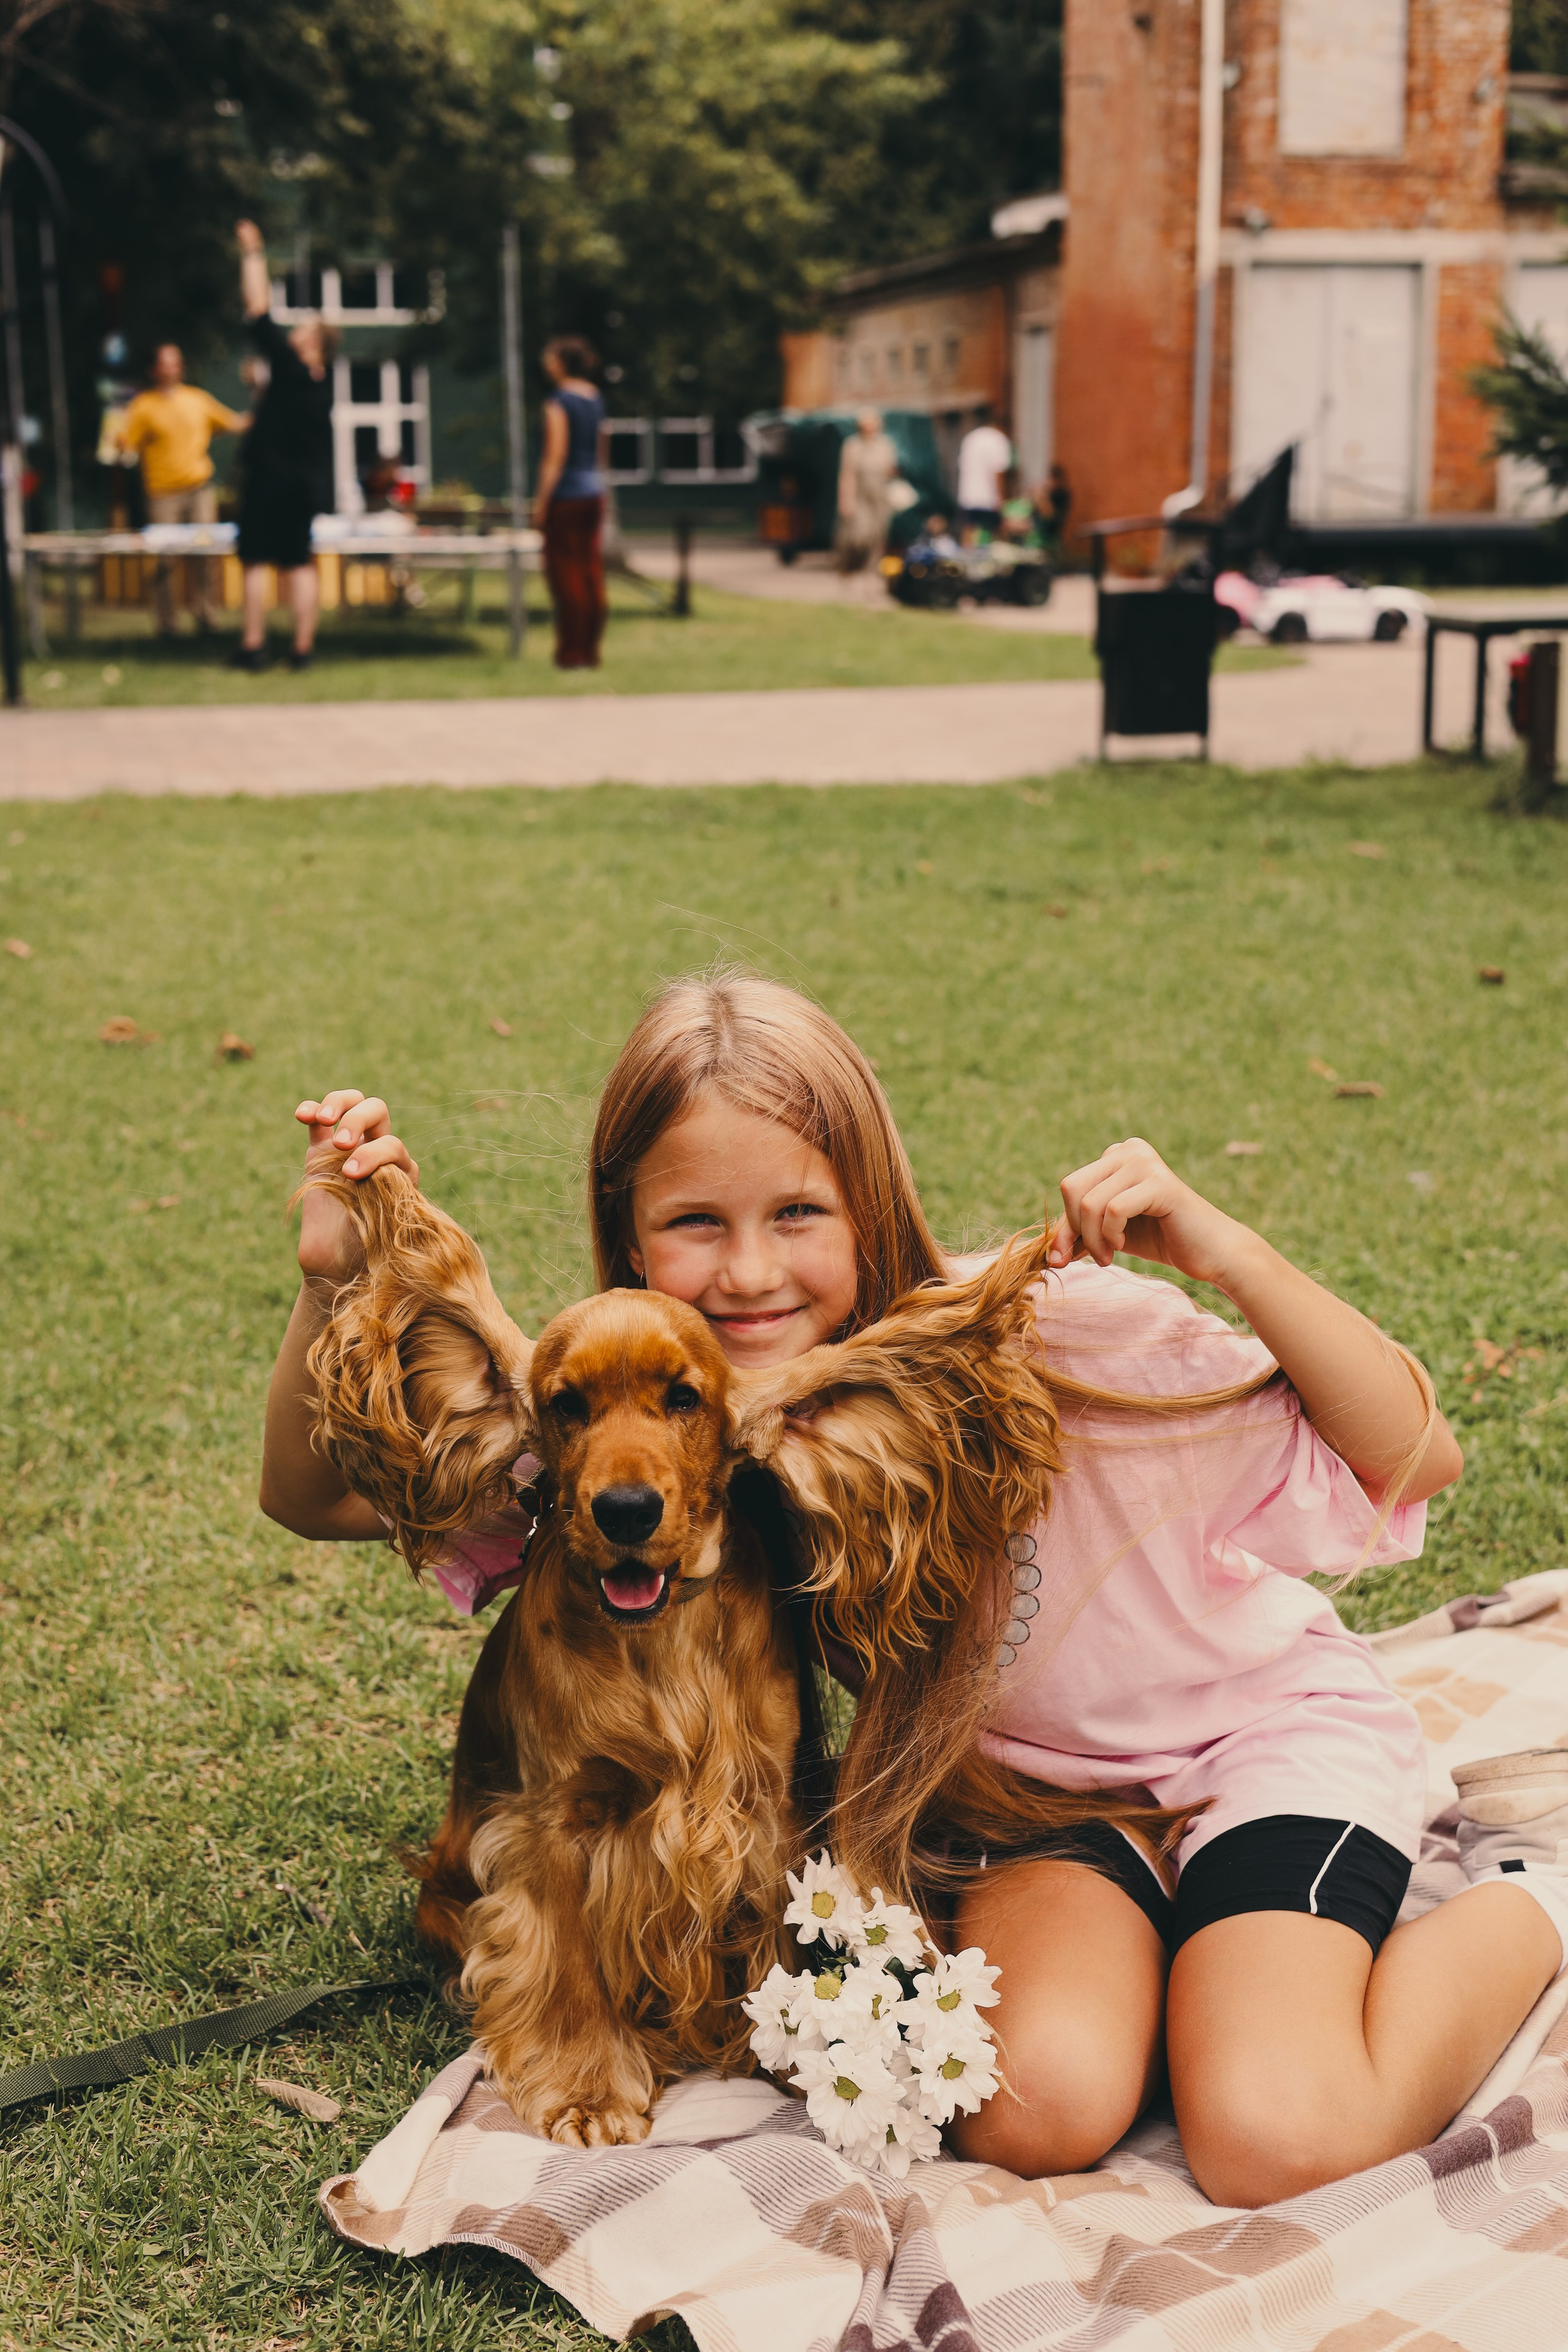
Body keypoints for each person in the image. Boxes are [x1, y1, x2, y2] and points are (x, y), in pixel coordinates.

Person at [259, 974, 1565, 2207]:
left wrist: (1222, 1250)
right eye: (694, 1225)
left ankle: (1534, 1900)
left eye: (796, 1215)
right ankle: (1202, 1966)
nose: (751, 1272)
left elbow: (1411, 1456)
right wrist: (330, 1278)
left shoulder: (1035, 1337)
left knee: (1270, 2131)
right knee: (1034, 2103)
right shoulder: (664, 1443)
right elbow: (313, 1500)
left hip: (1260, 1748)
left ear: (870, 1204)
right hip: (1045, 1807)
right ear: (629, 1237)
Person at [231, 219, 337, 673]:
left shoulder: (293, 367)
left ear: (313, 343)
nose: (294, 331)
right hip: (304, 485)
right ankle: (302, 652)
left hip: (269, 480)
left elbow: (257, 308)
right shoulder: (319, 383)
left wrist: (252, 252)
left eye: (303, 328)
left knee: (256, 562)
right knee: (299, 563)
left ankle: (253, 648)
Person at [116, 343, 247, 633]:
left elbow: (234, 422)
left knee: (206, 556)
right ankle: (167, 624)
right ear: (154, 370)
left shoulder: (197, 399)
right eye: (166, 363)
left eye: (177, 362)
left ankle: (207, 618)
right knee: (165, 561)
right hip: (162, 494)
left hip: (200, 490)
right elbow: (126, 445)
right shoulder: (143, 406)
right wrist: (116, 439)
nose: (173, 368)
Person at [533, 337, 606, 670]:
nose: (546, 364)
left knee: (566, 575)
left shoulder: (558, 401)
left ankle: (572, 652)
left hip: (567, 496)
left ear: (562, 363)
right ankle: (591, 650)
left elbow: (556, 455)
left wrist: (541, 503)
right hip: (594, 492)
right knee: (590, 571)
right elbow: (601, 448)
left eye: (550, 359)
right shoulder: (595, 397)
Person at [834, 409, 898, 577]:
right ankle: (848, 567)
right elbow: (847, 475)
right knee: (859, 537)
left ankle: (870, 571)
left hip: (879, 497)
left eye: (873, 425)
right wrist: (845, 500)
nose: (869, 428)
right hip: (860, 497)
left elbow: (890, 471)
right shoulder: (852, 445)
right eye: (866, 425)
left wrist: (893, 473)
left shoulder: (885, 444)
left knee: (878, 536)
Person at [956, 406, 1012, 543]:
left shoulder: (972, 437)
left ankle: (966, 559)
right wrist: (1001, 497)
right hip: (988, 496)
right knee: (997, 530)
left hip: (968, 495)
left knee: (969, 529)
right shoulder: (999, 439)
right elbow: (999, 471)